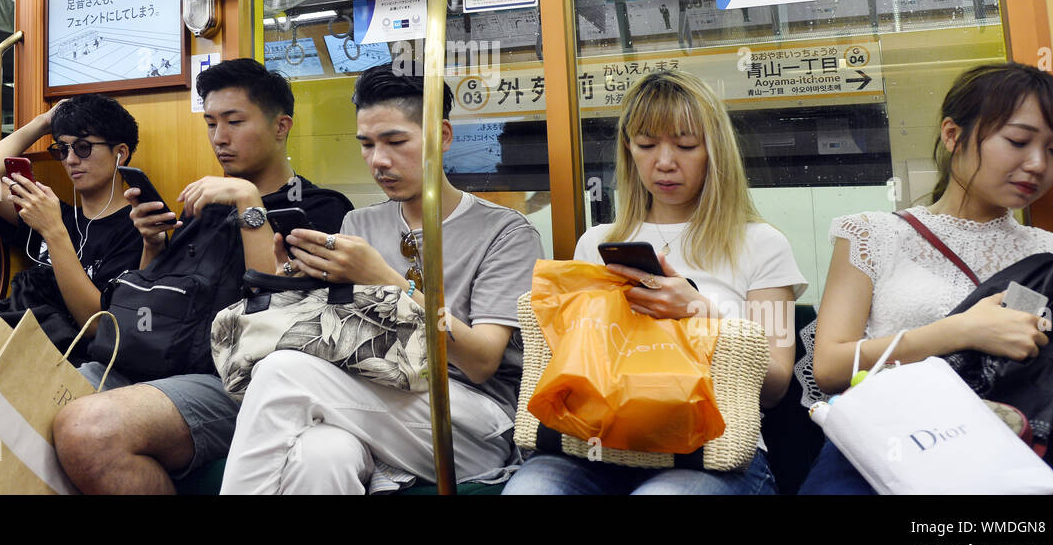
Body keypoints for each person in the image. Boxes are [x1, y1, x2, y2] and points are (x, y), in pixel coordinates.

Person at [218, 64, 543, 494]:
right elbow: (340, 332)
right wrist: (294, 284)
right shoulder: (361, 223)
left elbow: (482, 362)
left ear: (441, 137)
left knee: (281, 372)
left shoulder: (506, 232)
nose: (379, 160)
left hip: (471, 419)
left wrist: (390, 282)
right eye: (367, 145)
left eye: (395, 141)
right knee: (322, 455)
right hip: (374, 393)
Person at [52, 59, 352, 494]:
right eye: (211, 123)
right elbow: (149, 298)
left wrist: (248, 203)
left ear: (281, 126)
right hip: (156, 360)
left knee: (91, 430)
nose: (219, 138)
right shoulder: (205, 206)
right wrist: (153, 246)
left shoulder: (321, 208)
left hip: (235, 381)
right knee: (29, 402)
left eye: (234, 121)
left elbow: (283, 315)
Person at [505, 68, 805, 495]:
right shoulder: (598, 243)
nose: (664, 162)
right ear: (629, 150)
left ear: (714, 151)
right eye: (646, 145)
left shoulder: (762, 244)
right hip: (598, 444)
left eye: (685, 145)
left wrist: (699, 312)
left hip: (712, 452)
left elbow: (775, 383)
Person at [799, 63, 1053, 494]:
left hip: (1003, 465)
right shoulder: (873, 234)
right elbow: (830, 367)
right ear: (953, 134)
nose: (1037, 164)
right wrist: (962, 331)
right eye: (1017, 141)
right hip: (892, 456)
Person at [0, 94, 143, 354]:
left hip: (65, 359)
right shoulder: (53, 212)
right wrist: (44, 121)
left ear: (120, 154)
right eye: (62, 148)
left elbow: (98, 325)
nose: (70, 160)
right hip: (11, 340)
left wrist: (52, 230)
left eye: (83, 147)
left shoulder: (137, 229)